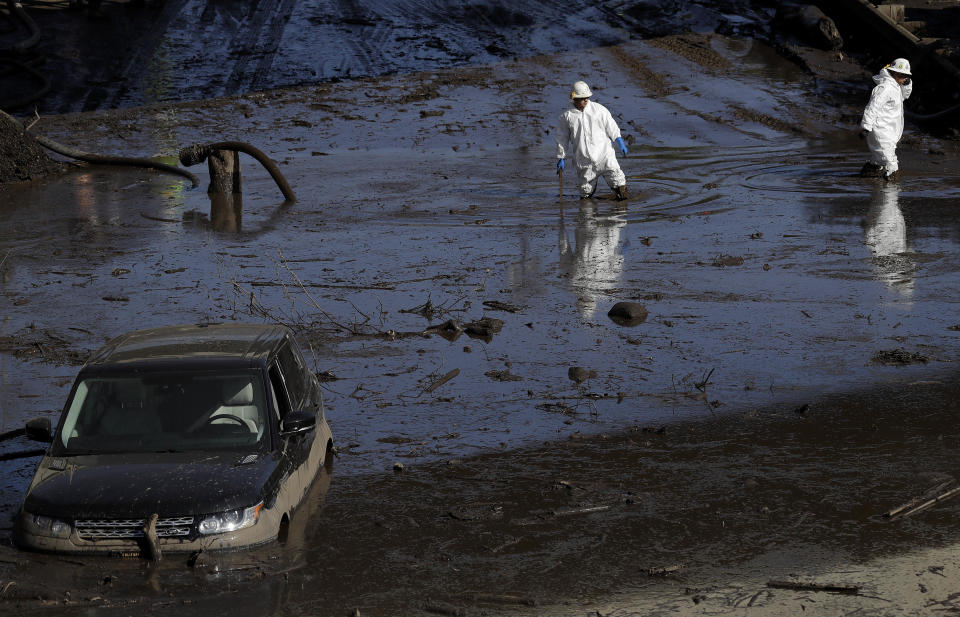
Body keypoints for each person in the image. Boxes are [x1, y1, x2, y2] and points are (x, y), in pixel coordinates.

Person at [556, 81, 629, 200]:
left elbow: (611, 126)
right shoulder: (566, 116)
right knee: (585, 194)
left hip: (604, 155)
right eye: (582, 98)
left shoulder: (599, 110)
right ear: (574, 98)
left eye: (587, 97)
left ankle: (621, 209)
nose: (585, 100)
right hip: (584, 161)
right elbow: (562, 138)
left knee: (618, 182)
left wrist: (619, 141)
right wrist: (561, 157)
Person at [859, 58, 913, 182]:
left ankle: (869, 173)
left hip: (889, 131)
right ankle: (891, 195)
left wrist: (907, 84)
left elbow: (904, 96)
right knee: (891, 163)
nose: (904, 77)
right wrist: (866, 127)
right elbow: (873, 107)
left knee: (879, 159)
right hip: (880, 131)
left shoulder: (896, 87)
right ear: (894, 73)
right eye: (902, 75)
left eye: (906, 75)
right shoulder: (885, 88)